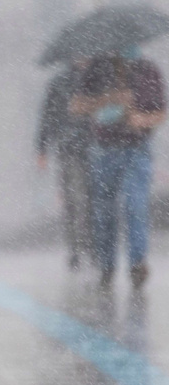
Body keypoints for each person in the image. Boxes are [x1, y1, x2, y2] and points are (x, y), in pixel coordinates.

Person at [71, 47, 166, 287]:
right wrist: (109, 99)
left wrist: (142, 119)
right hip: (104, 150)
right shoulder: (97, 67)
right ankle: (106, 264)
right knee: (104, 212)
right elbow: (77, 105)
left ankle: (137, 263)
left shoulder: (148, 70)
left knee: (135, 205)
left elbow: (161, 111)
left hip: (137, 148)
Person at [37, 58, 95, 270]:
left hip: (95, 146)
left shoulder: (98, 78)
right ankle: (75, 249)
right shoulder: (59, 83)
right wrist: (42, 147)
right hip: (68, 148)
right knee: (73, 200)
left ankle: (91, 245)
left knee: (92, 200)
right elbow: (47, 116)